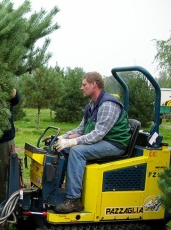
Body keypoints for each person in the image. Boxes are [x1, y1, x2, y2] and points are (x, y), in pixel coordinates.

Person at [53, 72, 131, 213]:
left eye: (84, 85)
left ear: (94, 84)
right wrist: (64, 138)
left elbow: (98, 134)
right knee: (64, 149)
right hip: (102, 140)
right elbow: (81, 129)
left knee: (77, 151)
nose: (81, 88)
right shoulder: (91, 105)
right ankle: (55, 191)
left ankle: (73, 200)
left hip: (114, 144)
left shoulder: (108, 104)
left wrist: (73, 142)